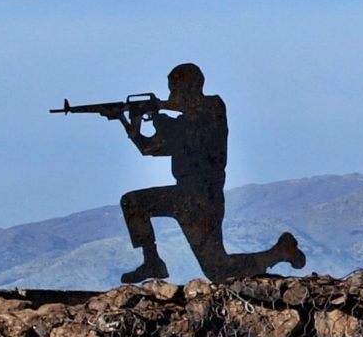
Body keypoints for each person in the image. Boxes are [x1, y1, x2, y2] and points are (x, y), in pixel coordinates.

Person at [116, 63, 305, 285]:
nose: (171, 94)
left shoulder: (212, 107)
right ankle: (152, 262)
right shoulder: (182, 123)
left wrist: (157, 109)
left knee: (217, 270)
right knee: (216, 268)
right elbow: (150, 149)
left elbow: (191, 113)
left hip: (203, 196)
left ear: (191, 86)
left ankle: (280, 252)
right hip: (185, 195)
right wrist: (129, 123)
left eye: (174, 88)